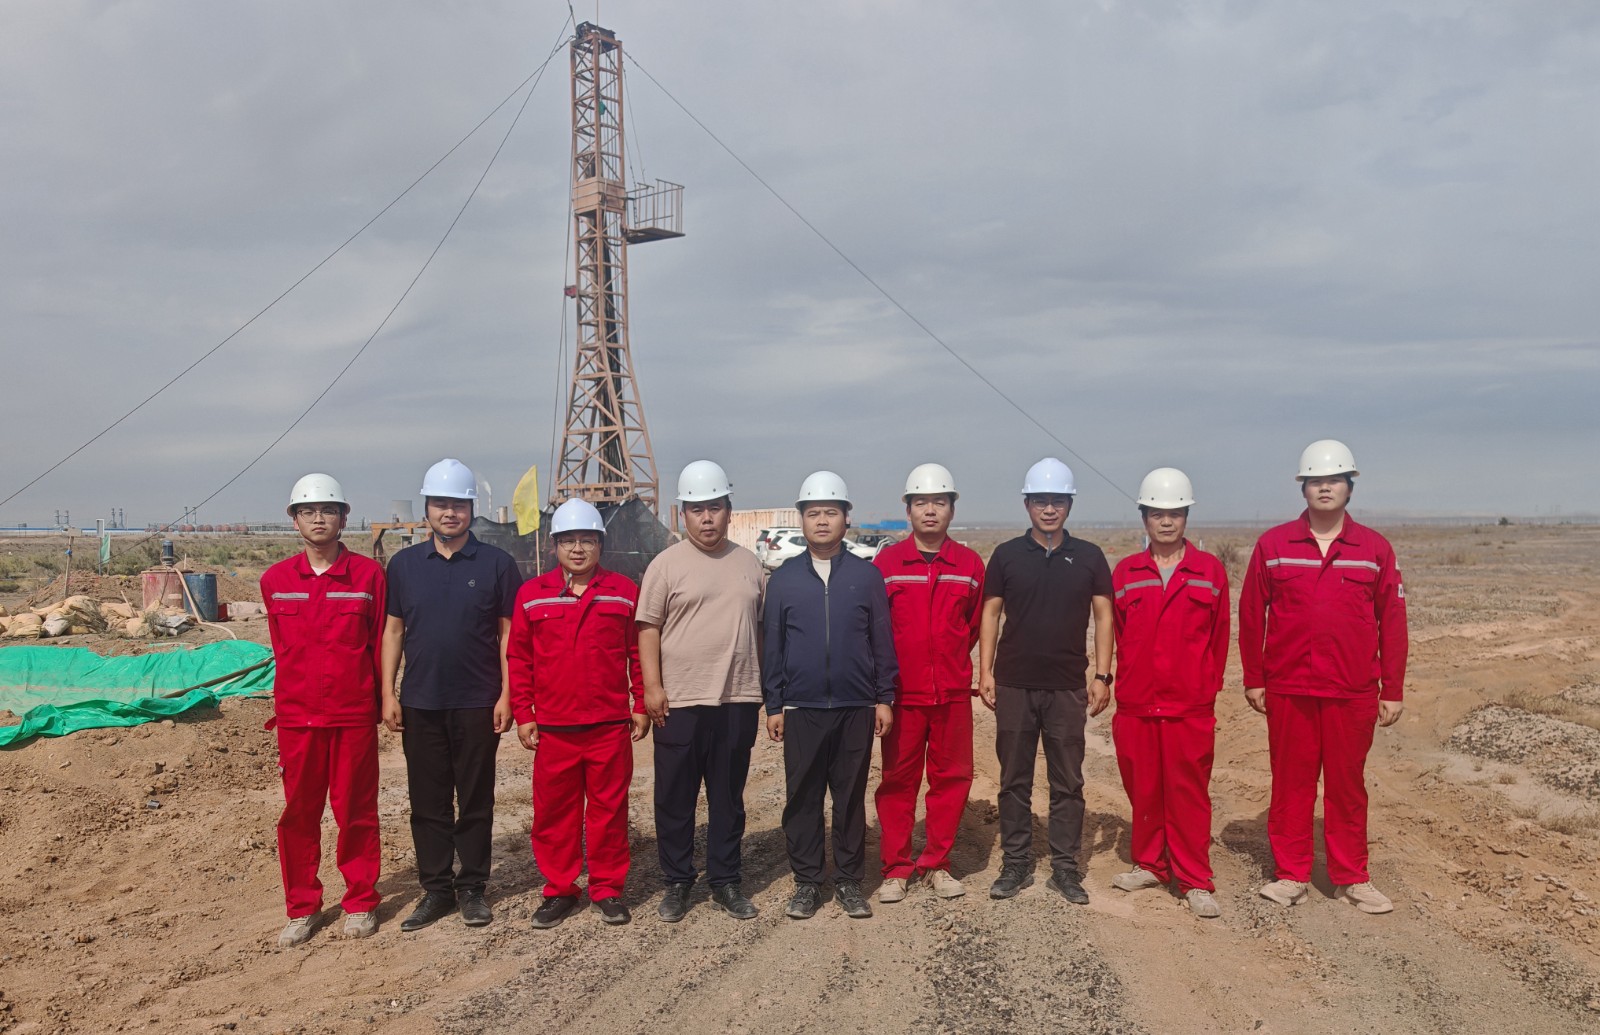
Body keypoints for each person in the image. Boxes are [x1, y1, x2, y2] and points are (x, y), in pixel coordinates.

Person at [1239, 440, 1408, 914]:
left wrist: (1392, 688)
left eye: (1334, 480)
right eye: (1316, 481)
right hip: (1289, 688)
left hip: (1352, 690)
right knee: (1290, 784)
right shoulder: (1273, 545)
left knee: (1347, 786)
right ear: (1303, 488)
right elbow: (1251, 613)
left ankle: (1351, 877)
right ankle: (1291, 874)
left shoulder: (1374, 549)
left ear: (1349, 487)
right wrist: (1254, 677)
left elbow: (1393, 622)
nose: (1325, 488)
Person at [381, 459, 521, 932]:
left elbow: (508, 636)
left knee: (475, 799)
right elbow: (393, 631)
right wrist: (388, 692)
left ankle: (473, 887)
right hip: (420, 701)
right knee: (428, 801)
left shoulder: (497, 565)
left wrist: (507, 695)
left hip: (478, 702)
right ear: (427, 509)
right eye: (440, 504)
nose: (450, 513)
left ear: (471, 509)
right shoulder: (403, 566)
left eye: (458, 505)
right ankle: (437, 889)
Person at [763, 471, 897, 921]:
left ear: (846, 518)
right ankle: (807, 882)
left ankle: (849, 881)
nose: (822, 521)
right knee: (802, 798)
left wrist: (884, 697)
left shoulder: (867, 576)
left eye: (831, 512)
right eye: (814, 513)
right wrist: (774, 704)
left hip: (855, 706)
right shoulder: (783, 580)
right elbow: (773, 645)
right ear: (801, 519)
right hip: (801, 707)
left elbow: (881, 641)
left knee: (849, 797)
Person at [507, 498, 647, 928]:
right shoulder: (532, 595)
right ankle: (559, 889)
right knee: (555, 814)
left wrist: (640, 703)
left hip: (608, 727)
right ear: (554, 546)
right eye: (569, 540)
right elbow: (519, 658)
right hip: (554, 729)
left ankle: (607, 888)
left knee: (609, 812)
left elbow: (637, 653)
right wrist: (523, 713)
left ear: (601, 544)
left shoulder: (623, 591)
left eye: (587, 540)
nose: (578, 549)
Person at [978, 457, 1112, 905]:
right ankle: (1015, 864)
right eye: (1040, 501)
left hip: (1067, 687)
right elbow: (991, 614)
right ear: (1027, 504)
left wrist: (1102, 675)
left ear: (1069, 505)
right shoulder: (1006, 555)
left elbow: (1104, 616)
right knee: (1014, 780)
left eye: (1057, 501)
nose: (1049, 509)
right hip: (1015, 684)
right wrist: (985, 671)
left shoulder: (1090, 557)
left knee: (1068, 782)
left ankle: (1065, 868)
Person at [261, 473, 387, 947]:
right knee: (299, 814)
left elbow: (379, 644)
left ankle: (361, 901)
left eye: (328, 510)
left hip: (352, 714)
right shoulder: (275, 581)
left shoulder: (369, 577)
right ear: (294, 520)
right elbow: (282, 648)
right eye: (308, 511)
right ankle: (302, 908)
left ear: (343, 518)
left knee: (356, 811)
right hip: (297, 718)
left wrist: (382, 701)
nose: (319, 519)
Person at [639, 461, 765, 923]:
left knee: (728, 798)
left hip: (737, 699)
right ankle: (677, 881)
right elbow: (648, 628)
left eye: (715, 507)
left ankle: (726, 880)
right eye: (697, 510)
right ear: (682, 515)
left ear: (729, 510)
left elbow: (762, 629)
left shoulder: (749, 564)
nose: (706, 518)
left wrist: (764, 688)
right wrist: (653, 686)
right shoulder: (665, 565)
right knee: (675, 797)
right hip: (680, 702)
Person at [1107, 468, 1230, 918]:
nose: (1166, 521)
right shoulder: (1126, 572)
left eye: (1175, 513)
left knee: (1188, 792)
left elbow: (1219, 638)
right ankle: (1150, 864)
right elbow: (1119, 632)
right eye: (1157, 513)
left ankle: (1194, 879)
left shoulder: (1209, 571)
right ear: (1144, 517)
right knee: (1144, 788)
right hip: (1137, 703)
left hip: (1189, 705)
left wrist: (1204, 687)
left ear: (1186, 517)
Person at [872, 463, 985, 903]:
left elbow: (972, 626)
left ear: (952, 509)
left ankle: (937, 863)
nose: (931, 510)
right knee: (898, 782)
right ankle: (896, 868)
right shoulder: (887, 564)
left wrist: (950, 662)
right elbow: (877, 630)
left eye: (939, 502)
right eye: (922, 503)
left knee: (951, 779)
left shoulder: (969, 565)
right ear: (908, 509)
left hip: (951, 694)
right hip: (903, 695)